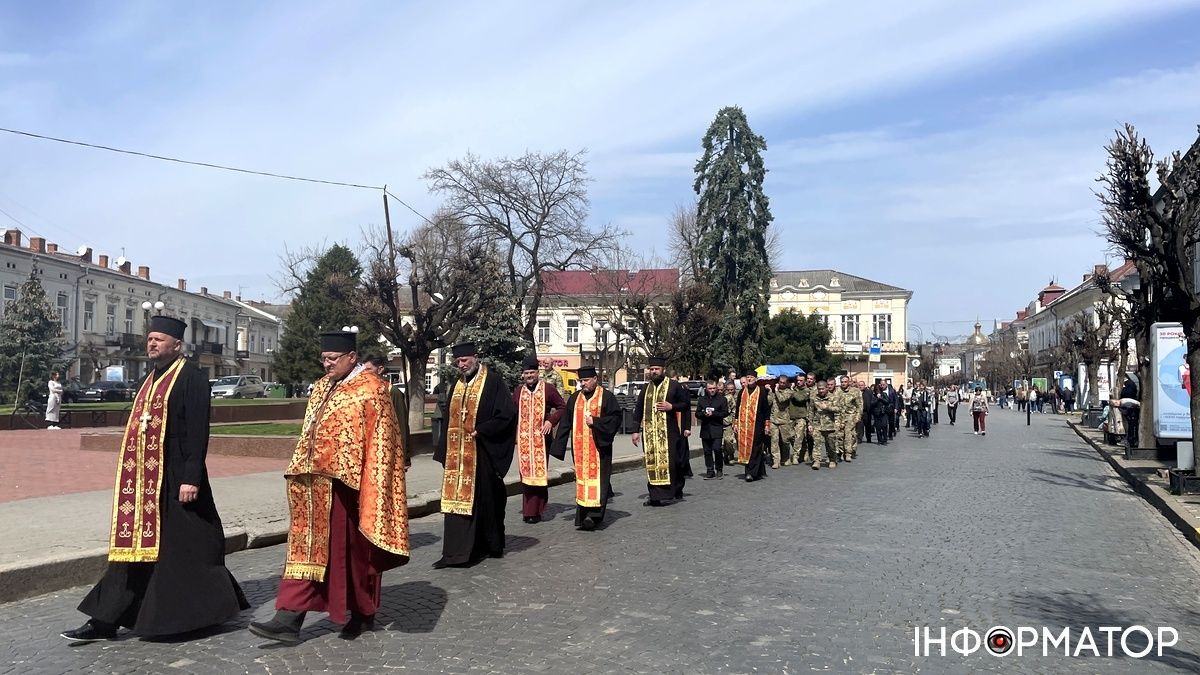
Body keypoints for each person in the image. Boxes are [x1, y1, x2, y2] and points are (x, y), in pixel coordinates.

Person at [62, 316, 248, 643]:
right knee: (132, 548)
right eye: (150, 339)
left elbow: (197, 432)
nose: (152, 344)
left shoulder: (191, 377)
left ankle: (196, 611)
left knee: (187, 546)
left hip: (178, 477)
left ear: (177, 345)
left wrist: (191, 478)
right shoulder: (148, 380)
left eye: (159, 339)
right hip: (144, 481)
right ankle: (105, 620)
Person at [250, 330, 410, 645]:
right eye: (323, 358)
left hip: (349, 489)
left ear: (352, 357)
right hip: (312, 485)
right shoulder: (322, 387)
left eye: (332, 359)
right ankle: (289, 617)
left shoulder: (373, 389)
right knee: (305, 549)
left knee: (351, 555)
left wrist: (374, 487)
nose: (326, 364)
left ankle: (363, 612)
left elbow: (384, 442)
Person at [432, 342, 516, 568]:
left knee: (487, 502)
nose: (461, 365)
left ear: (476, 358)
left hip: (483, 452)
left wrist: (484, 430)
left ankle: (488, 545)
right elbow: (449, 418)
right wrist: (443, 451)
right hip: (456, 456)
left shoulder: (493, 382)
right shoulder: (457, 385)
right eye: (457, 361)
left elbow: (507, 415)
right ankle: (455, 552)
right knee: (455, 503)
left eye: (464, 361)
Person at [550, 367, 622, 530]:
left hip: (599, 449)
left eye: (586, 380)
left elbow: (616, 418)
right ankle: (583, 516)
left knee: (599, 482)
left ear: (595, 379)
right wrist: (558, 446)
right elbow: (566, 423)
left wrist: (596, 422)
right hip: (580, 450)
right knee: (582, 482)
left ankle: (594, 516)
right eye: (581, 381)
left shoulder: (607, 397)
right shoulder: (575, 398)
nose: (583, 384)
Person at [512, 355, 566, 524]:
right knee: (526, 474)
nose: (530, 376)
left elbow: (562, 406)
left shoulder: (548, 389)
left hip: (542, 440)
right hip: (523, 441)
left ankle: (536, 510)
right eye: (527, 373)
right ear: (523, 375)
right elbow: (512, 414)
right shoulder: (518, 391)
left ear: (537, 373)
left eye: (532, 372)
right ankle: (528, 510)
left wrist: (551, 420)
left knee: (539, 473)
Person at [631, 356, 692, 505]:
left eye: (656, 369)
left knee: (671, 463)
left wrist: (672, 407)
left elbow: (685, 404)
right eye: (651, 369)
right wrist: (635, 431)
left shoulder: (674, 386)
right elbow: (638, 410)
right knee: (652, 463)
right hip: (650, 434)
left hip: (669, 432)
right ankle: (655, 496)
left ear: (663, 370)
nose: (654, 372)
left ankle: (675, 490)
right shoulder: (646, 388)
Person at [361, 353, 411, 469]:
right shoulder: (361, 392)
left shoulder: (392, 392)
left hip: (386, 452)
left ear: (380, 369)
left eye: (368, 369)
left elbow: (401, 426)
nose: (364, 374)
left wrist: (404, 458)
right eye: (363, 370)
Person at [734, 371, 772, 480]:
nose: (749, 379)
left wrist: (767, 425)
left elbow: (766, 410)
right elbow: (737, 409)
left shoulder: (761, 391)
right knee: (746, 448)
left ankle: (751, 473)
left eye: (751, 377)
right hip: (744, 426)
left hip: (757, 425)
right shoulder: (742, 392)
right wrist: (736, 424)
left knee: (755, 448)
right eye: (748, 377)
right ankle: (757, 470)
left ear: (756, 379)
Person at [695, 380, 730, 479]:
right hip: (705, 429)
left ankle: (719, 469)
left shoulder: (722, 399)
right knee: (707, 451)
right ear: (706, 389)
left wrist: (713, 414)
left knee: (717, 449)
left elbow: (725, 412)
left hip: (717, 428)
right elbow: (697, 413)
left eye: (714, 388)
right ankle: (710, 470)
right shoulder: (702, 400)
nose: (712, 390)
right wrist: (704, 414)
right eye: (710, 388)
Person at [768, 375, 795, 468]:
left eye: (784, 383)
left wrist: (775, 390)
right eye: (780, 382)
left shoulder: (789, 392)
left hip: (784, 420)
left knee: (785, 441)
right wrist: (770, 392)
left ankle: (786, 458)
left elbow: (781, 399)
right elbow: (769, 402)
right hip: (773, 419)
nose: (782, 384)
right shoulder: (774, 391)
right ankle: (776, 461)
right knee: (774, 441)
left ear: (787, 383)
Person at [811, 379, 838, 470]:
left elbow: (839, 409)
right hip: (817, 424)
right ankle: (816, 461)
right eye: (819, 389)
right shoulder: (814, 398)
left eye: (822, 389)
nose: (821, 391)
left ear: (827, 388)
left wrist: (828, 407)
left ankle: (832, 460)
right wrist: (810, 424)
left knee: (831, 445)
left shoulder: (833, 397)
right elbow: (811, 411)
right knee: (817, 443)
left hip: (830, 425)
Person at [1114, 373, 1141, 448]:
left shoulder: (1129, 384)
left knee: (1130, 424)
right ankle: (1129, 438)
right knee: (1129, 424)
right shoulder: (1129, 383)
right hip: (1128, 406)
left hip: (1130, 407)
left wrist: (1121, 392)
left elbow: (1128, 394)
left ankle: (1130, 439)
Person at [721, 381, 739, 465]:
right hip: (719, 421)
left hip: (729, 421)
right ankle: (726, 454)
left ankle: (730, 453)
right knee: (724, 441)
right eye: (728, 390)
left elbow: (734, 411)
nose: (730, 391)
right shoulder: (722, 396)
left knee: (728, 440)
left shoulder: (736, 396)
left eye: (731, 390)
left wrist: (734, 421)